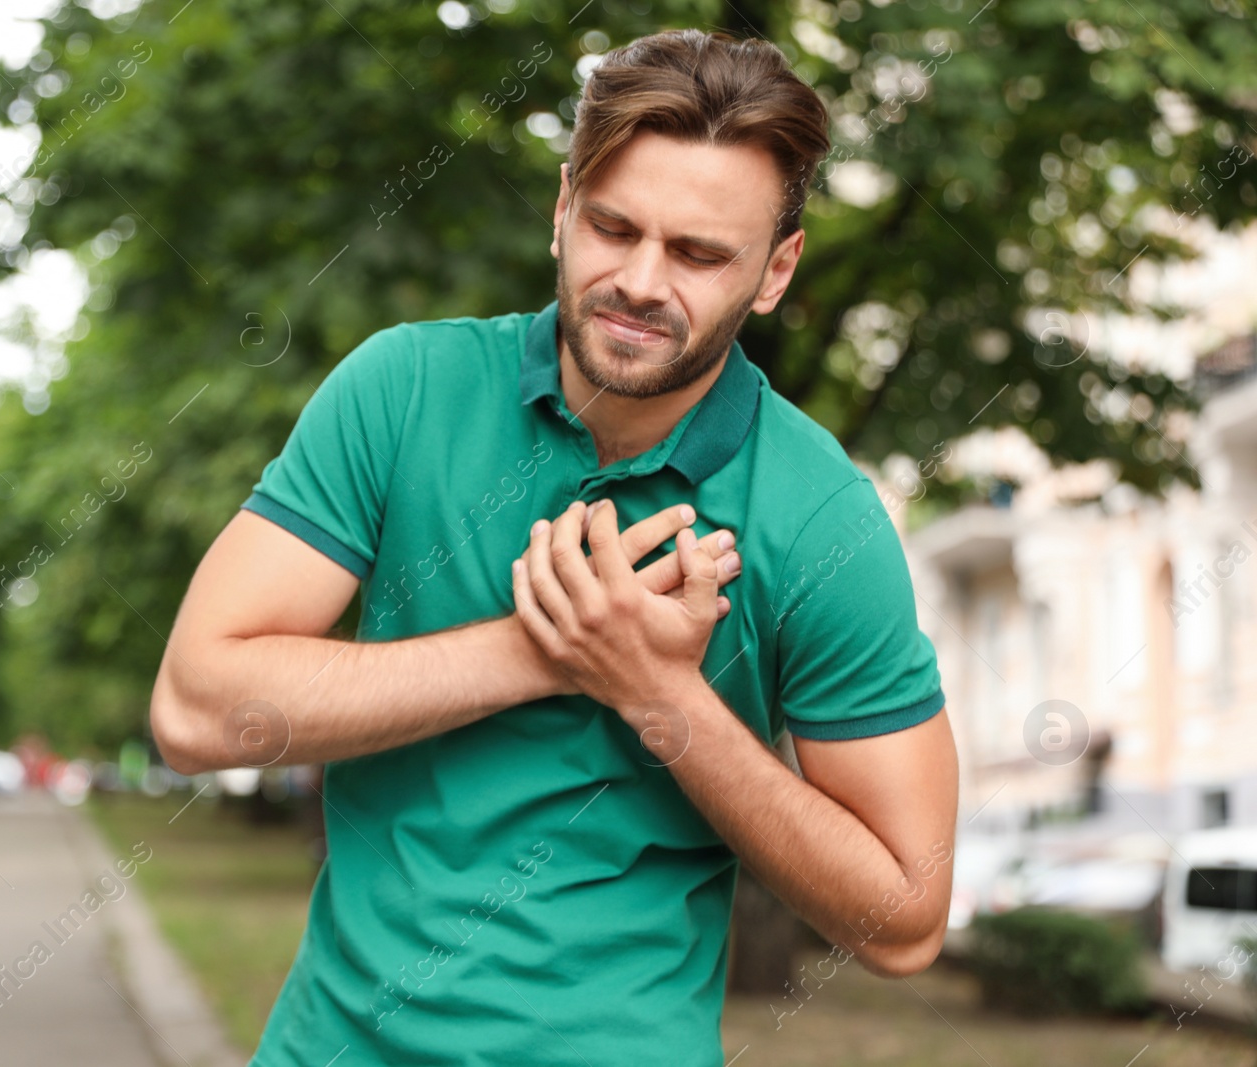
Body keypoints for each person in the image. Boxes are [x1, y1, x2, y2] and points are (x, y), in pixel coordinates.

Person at [150, 29, 958, 1067]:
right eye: (612, 227)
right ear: (562, 207)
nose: (639, 280)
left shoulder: (821, 517)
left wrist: (661, 696)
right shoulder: (403, 390)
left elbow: (904, 918)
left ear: (775, 271)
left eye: (701, 253)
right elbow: (193, 710)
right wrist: (547, 650)